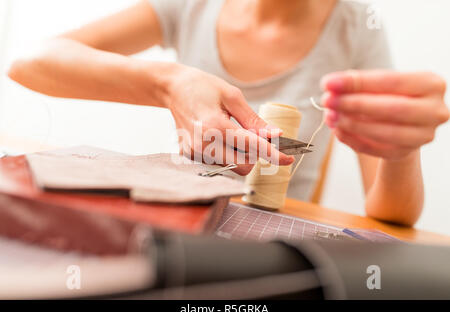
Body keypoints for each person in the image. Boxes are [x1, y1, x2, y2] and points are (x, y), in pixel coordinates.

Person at [7, 0, 449, 226]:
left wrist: (400, 150)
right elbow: (27, 61)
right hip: (180, 223)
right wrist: (168, 83)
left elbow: (393, 217)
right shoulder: (191, 6)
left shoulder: (355, 25)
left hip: (278, 238)